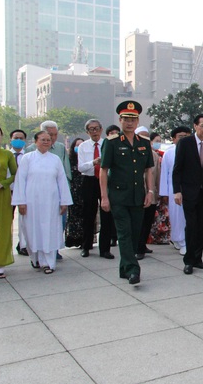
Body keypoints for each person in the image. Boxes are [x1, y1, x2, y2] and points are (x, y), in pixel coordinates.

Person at [100, 101, 155, 285]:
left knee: (134, 233)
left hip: (138, 196)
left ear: (138, 120)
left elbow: (148, 170)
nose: (129, 123)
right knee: (124, 233)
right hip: (118, 197)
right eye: (126, 119)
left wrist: (150, 191)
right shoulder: (112, 142)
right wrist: (104, 197)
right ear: (120, 120)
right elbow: (103, 170)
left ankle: (124, 268)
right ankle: (133, 270)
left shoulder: (144, 143)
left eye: (133, 119)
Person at [12, 130, 72, 275]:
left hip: (51, 202)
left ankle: (49, 263)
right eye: (43, 139)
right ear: (35, 141)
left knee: (49, 231)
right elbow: (21, 180)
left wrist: (64, 201)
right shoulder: (27, 158)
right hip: (31, 202)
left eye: (48, 139)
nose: (46, 142)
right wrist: (21, 202)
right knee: (33, 230)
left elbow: (62, 181)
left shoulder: (55, 159)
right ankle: (36, 259)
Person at [172, 114, 203, 275]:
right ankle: (188, 261)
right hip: (189, 192)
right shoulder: (185, 143)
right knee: (191, 226)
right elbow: (177, 169)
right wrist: (177, 191)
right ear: (195, 126)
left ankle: (198, 258)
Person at [78, 119, 115, 259]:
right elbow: (81, 167)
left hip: (105, 180)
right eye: (91, 129)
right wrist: (94, 162)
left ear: (101, 129)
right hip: (89, 180)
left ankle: (105, 248)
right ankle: (86, 246)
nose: (94, 131)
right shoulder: (83, 146)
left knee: (106, 213)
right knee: (88, 214)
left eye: (96, 128)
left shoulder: (108, 143)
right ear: (87, 132)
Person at [159, 126, 191, 255]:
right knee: (176, 216)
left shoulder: (192, 150)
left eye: (186, 136)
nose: (184, 139)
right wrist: (164, 193)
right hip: (174, 189)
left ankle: (185, 240)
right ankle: (180, 240)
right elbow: (165, 174)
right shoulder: (169, 152)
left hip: (190, 188)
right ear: (173, 139)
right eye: (180, 137)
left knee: (188, 216)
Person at [135, 126, 160, 259]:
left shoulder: (154, 154)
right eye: (141, 135)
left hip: (151, 194)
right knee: (138, 221)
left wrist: (158, 192)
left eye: (146, 136)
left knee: (148, 221)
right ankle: (138, 247)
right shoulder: (132, 152)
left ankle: (142, 244)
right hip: (137, 193)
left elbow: (157, 175)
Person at [0, 125, 17, 279]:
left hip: (2, 196)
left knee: (2, 229)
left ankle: (0, 265)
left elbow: (16, 174)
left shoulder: (7, 154)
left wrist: (4, 183)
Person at [149, 132, 171, 245]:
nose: (158, 143)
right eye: (156, 141)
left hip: (161, 187)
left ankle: (161, 236)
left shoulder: (163, 154)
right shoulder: (150, 155)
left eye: (159, 141)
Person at [10, 129, 28, 256]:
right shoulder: (6, 155)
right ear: (11, 139)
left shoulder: (28, 156)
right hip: (8, 192)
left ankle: (23, 245)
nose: (19, 140)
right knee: (7, 220)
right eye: (16, 138)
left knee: (24, 221)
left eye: (21, 138)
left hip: (24, 193)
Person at [65, 137, 85, 248]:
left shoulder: (87, 159)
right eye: (77, 145)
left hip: (85, 189)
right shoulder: (70, 160)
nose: (79, 147)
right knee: (73, 216)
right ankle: (74, 239)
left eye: (81, 145)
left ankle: (85, 240)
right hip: (73, 191)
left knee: (85, 215)